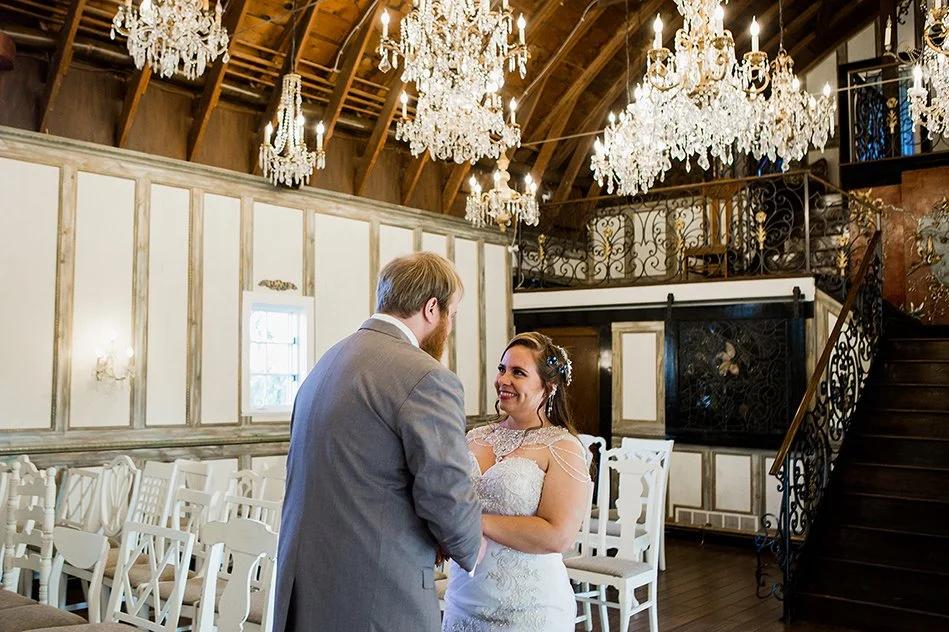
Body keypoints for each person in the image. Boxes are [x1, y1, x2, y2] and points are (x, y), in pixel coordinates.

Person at [273, 252, 484, 632]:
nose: (449, 326)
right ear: (431, 308)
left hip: (309, 587)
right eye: (451, 314)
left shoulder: (328, 361)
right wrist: (470, 545)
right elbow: (446, 492)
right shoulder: (427, 377)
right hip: (377, 595)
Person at [442, 332, 591, 632]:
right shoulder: (474, 438)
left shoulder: (562, 447)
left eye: (518, 373)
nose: (503, 380)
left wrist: (474, 522)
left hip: (529, 609)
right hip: (463, 600)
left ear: (548, 386)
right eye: (502, 369)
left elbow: (558, 536)